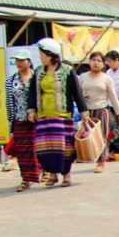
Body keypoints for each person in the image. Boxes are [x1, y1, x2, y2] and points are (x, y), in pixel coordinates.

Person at [26, 37, 89, 188]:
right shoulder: (38, 72)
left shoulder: (67, 71)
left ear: (50, 55)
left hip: (62, 116)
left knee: (65, 148)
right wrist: (31, 110)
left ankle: (66, 175)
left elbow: (76, 92)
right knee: (46, 148)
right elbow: (32, 92)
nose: (41, 57)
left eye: (42, 54)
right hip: (43, 116)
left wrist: (84, 112)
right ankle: (52, 174)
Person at [79, 52, 119, 173]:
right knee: (88, 136)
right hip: (87, 112)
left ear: (103, 63)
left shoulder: (106, 78)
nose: (96, 63)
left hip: (102, 110)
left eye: (99, 60)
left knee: (102, 137)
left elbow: (113, 97)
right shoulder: (83, 77)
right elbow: (77, 95)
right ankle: (90, 156)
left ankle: (101, 162)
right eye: (93, 60)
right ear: (89, 62)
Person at [5, 50, 40, 191]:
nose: (19, 63)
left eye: (22, 60)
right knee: (23, 151)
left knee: (38, 147)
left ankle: (43, 171)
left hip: (37, 118)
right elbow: (9, 102)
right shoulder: (10, 80)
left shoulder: (37, 77)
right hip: (19, 119)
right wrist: (11, 123)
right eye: (17, 60)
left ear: (29, 61)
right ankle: (26, 178)